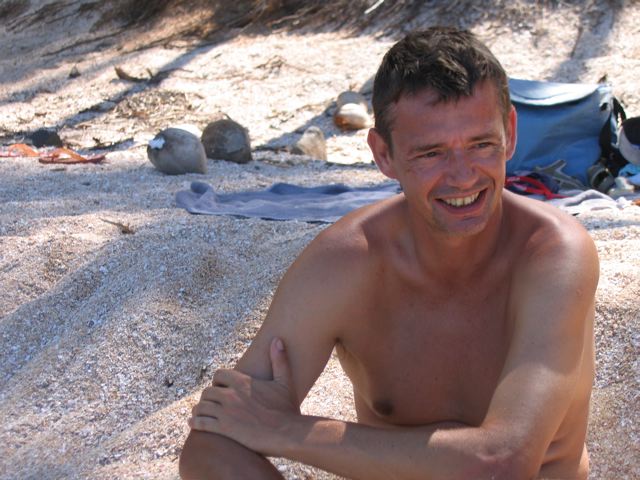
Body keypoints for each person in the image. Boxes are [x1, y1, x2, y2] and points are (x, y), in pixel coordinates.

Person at [179, 26, 598, 480]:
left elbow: (505, 462)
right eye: (431, 153)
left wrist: (286, 430)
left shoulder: (552, 254)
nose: (463, 176)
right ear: (383, 154)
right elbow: (213, 437)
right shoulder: (346, 263)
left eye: (481, 144)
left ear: (510, 133)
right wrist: (258, 430)